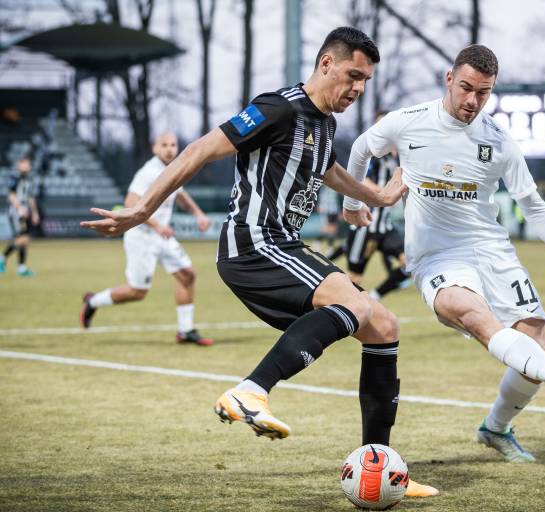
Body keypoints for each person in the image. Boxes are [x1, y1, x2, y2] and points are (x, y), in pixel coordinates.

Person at [81, 27, 437, 498]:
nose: (358, 88)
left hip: (282, 246)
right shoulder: (278, 108)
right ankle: (251, 390)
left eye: (365, 80)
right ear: (326, 64)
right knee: (356, 304)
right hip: (253, 243)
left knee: (383, 326)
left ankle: (379, 467)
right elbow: (200, 149)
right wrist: (144, 209)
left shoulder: (325, 124)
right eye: (353, 75)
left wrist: (377, 196)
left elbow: (329, 170)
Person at [343, 44, 545, 463]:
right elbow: (360, 149)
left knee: (535, 344)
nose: (472, 100)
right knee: (475, 316)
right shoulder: (409, 121)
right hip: (436, 257)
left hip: (492, 250)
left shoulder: (498, 140)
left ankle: (495, 429)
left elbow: (534, 206)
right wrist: (353, 202)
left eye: (483, 92)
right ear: (449, 79)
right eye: (466, 88)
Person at [79, 133, 214, 345]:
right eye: (164, 145)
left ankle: (185, 331)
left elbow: (180, 194)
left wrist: (198, 214)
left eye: (173, 145)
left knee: (187, 275)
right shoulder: (148, 172)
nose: (169, 149)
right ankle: (93, 301)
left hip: (162, 237)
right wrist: (158, 226)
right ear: (155, 149)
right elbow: (130, 202)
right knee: (137, 292)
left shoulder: (174, 167)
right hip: (142, 236)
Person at [345, 111, 410, 301]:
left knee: (410, 264)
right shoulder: (372, 155)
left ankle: (373, 297)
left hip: (386, 226)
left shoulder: (397, 157)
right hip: (367, 226)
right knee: (354, 277)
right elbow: (360, 180)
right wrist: (383, 193)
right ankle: (341, 310)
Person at [1, 156, 39, 276]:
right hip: (16, 213)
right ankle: (3, 259)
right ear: (19, 165)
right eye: (23, 164)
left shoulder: (29, 180)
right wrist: (20, 208)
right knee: (22, 238)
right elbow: (11, 196)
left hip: (25, 212)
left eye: (27, 164)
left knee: (24, 239)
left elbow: (30, 198)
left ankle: (21, 267)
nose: (25, 166)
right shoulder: (15, 178)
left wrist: (35, 213)